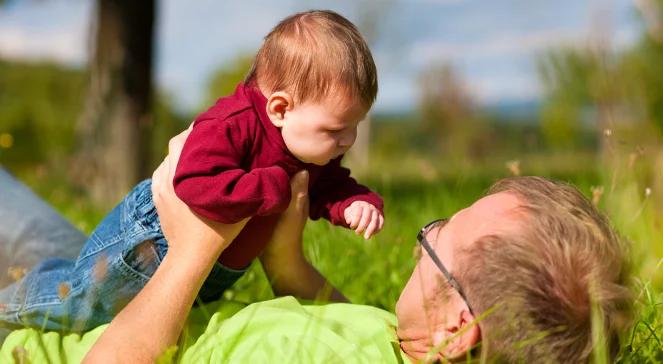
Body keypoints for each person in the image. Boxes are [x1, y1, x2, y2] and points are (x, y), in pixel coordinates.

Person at [0, 126, 631, 362]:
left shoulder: (300, 356)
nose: (421, 242)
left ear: (459, 329)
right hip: (114, 295)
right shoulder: (409, 347)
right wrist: (288, 264)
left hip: (39, 335)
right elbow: (345, 320)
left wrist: (195, 243)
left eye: (436, 238)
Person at [0, 9, 386, 336]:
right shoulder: (230, 125)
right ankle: (9, 302)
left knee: (130, 320)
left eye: (355, 126)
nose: (348, 140)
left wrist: (354, 202)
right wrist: (274, 187)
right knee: (76, 303)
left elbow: (329, 185)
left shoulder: (308, 145)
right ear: (280, 109)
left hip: (213, 269)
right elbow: (194, 183)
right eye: (336, 130)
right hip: (148, 247)